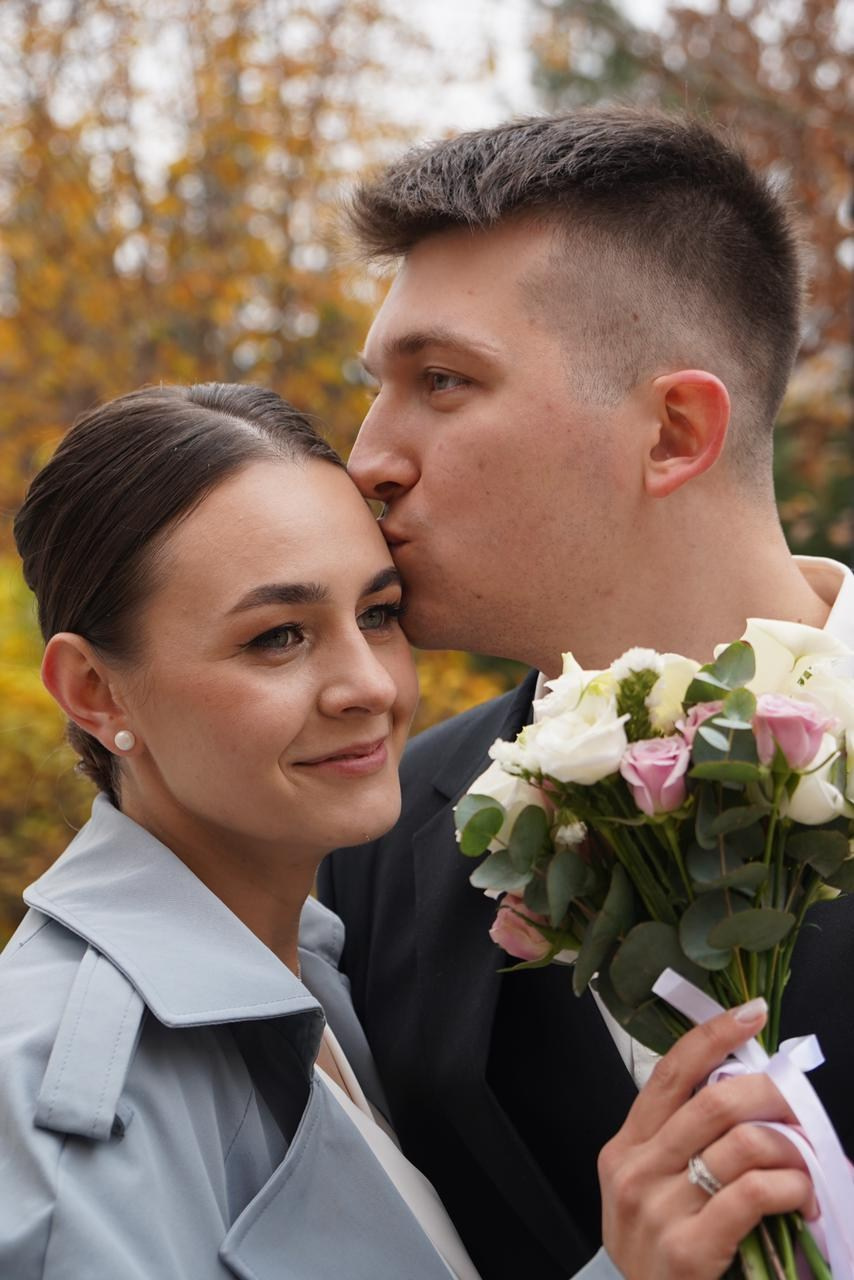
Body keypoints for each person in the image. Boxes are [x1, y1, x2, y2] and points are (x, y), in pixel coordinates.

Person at [1, 382, 813, 1280]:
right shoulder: (59, 1098)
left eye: (378, 615)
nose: (372, 687)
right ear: (94, 691)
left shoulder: (314, 971)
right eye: (277, 637)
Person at [317, 107, 854, 1280]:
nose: (367, 459)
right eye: (375, 388)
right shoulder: (368, 833)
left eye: (442, 380)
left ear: (670, 432)